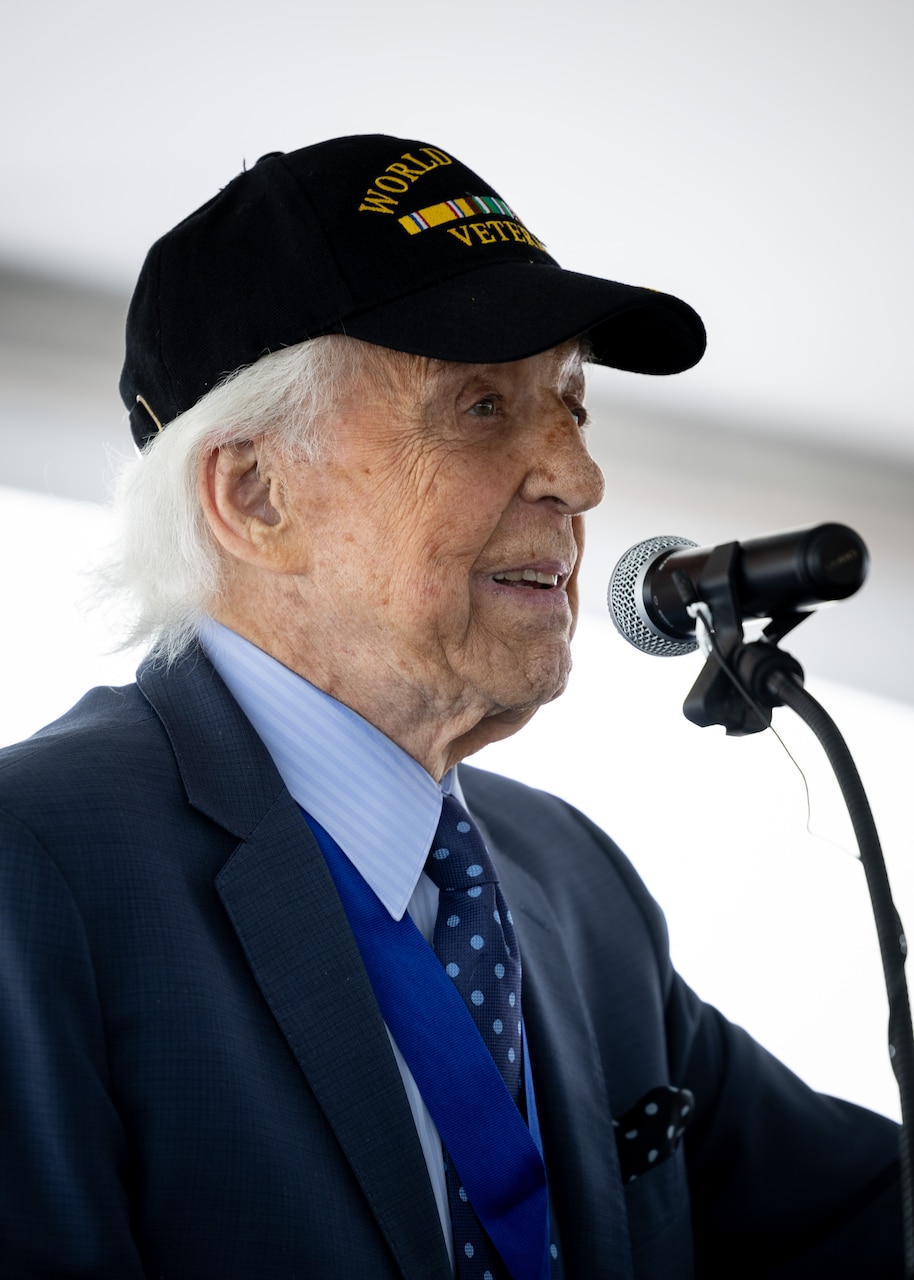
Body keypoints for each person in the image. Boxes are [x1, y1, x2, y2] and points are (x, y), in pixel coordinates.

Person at [0, 134, 901, 1279]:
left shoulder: (570, 876)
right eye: (480, 406)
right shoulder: (34, 867)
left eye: (568, 402)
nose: (578, 478)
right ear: (255, 492)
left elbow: (861, 1217)